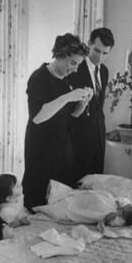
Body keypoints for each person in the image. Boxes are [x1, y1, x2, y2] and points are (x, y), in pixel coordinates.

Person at [22, 33, 93, 213]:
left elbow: (72, 116)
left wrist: (83, 103)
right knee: (38, 201)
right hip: (41, 148)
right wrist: (69, 96)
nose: (75, 70)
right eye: (73, 63)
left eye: (78, 65)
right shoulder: (38, 78)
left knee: (59, 201)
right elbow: (37, 116)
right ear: (60, 55)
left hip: (62, 148)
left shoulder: (67, 79)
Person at [68, 28, 114, 182]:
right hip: (78, 137)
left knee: (95, 183)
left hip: (98, 136)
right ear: (89, 44)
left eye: (105, 53)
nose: (100, 57)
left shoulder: (105, 71)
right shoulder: (75, 68)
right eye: (97, 51)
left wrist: (103, 133)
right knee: (78, 184)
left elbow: (98, 106)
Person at [35, 181, 132, 227]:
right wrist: (119, 207)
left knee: (65, 209)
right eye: (128, 208)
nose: (126, 209)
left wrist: (115, 215)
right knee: (69, 195)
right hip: (93, 199)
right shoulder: (125, 203)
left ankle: (47, 204)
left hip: (93, 210)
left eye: (127, 212)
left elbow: (109, 220)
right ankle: (51, 197)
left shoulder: (120, 220)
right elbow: (119, 200)